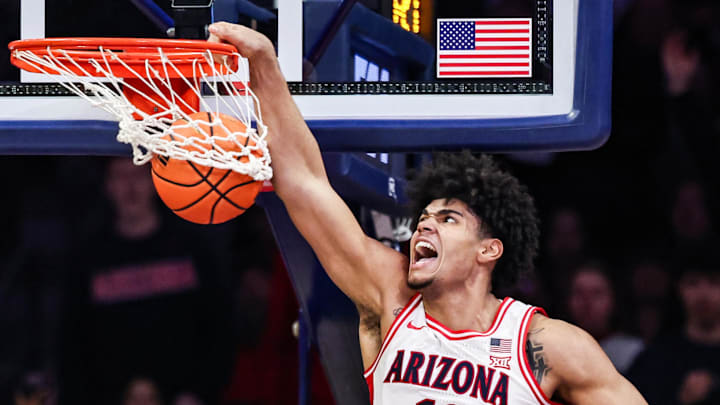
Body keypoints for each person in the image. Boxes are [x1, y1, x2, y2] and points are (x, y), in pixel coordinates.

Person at [207, 22, 647, 404]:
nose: (425, 224)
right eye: (425, 217)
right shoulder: (390, 294)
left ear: (488, 250)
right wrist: (265, 68)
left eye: (448, 219)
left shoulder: (545, 345)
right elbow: (303, 182)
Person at [628, 242, 720, 405]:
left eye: (714, 282)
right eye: (693, 282)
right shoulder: (657, 357)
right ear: (679, 288)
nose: (703, 294)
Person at [567, 262, 644, 374]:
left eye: (596, 294)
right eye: (579, 293)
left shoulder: (634, 352)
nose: (586, 303)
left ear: (613, 300)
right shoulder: (551, 349)